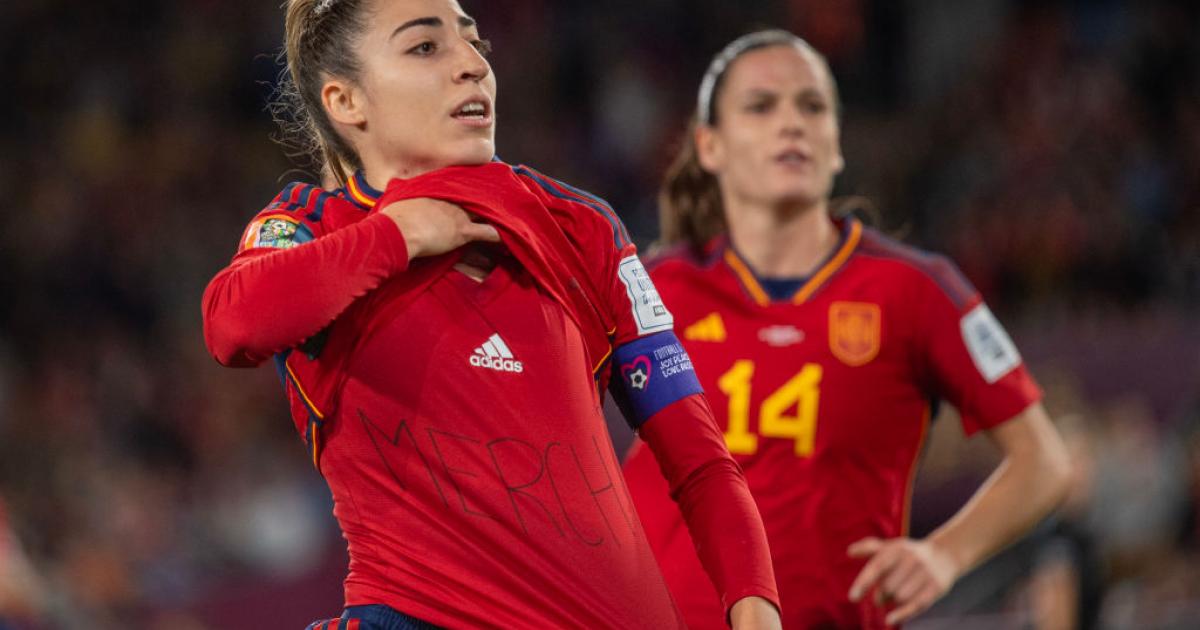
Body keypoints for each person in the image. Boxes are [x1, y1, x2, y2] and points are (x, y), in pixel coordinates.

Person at [201, 1, 781, 628]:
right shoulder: (315, 230)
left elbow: (699, 459)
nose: (472, 66)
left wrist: (755, 604)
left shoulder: (578, 228)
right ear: (346, 102)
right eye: (425, 48)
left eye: (475, 44)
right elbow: (234, 325)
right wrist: (398, 236)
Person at [621, 30, 1072, 629]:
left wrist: (944, 554)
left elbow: (1045, 462)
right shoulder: (648, 287)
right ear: (710, 147)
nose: (793, 123)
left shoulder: (918, 291)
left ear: (836, 144)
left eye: (812, 106)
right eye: (762, 106)